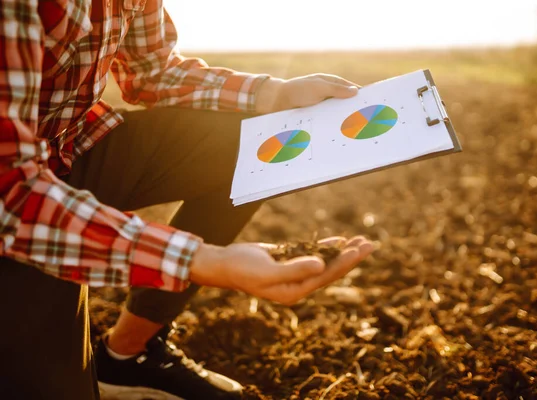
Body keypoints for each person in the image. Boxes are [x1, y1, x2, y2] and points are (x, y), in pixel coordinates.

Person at [0, 1, 374, 399]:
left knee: (253, 146)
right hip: (13, 189)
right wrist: (204, 261)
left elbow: (152, 71)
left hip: (70, 148)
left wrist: (275, 93)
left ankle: (126, 358)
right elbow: (10, 193)